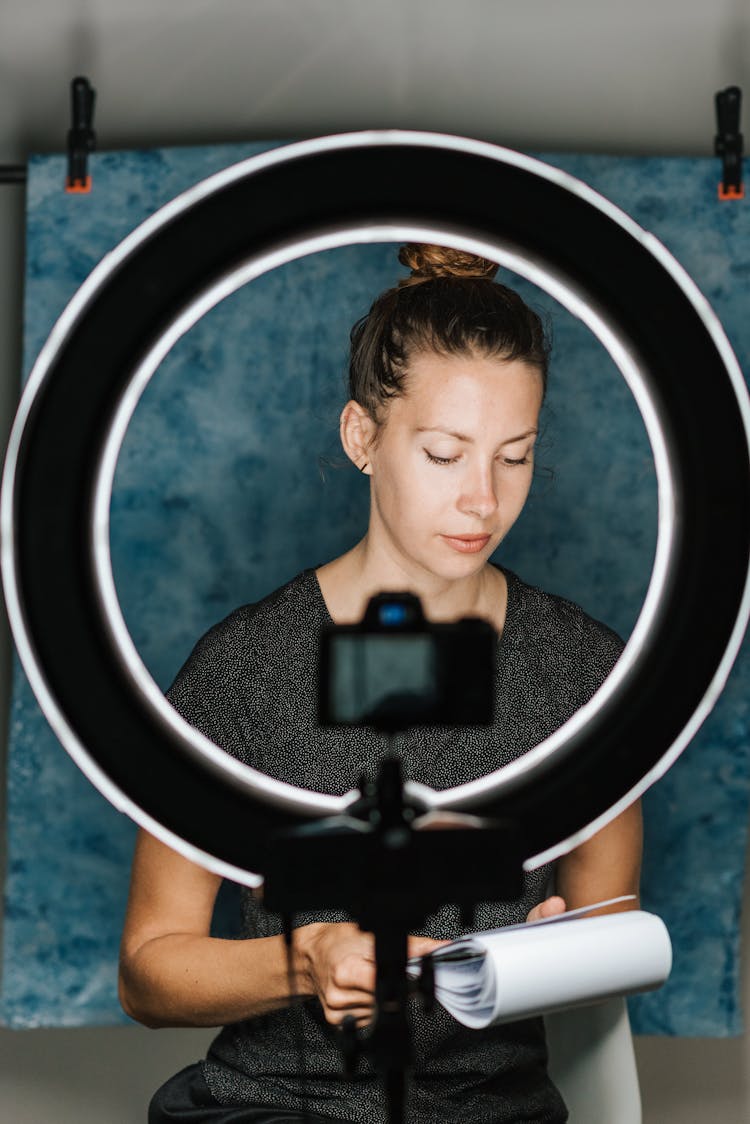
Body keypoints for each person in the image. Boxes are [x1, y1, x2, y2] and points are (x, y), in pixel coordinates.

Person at [119, 243, 642, 1123]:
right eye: (445, 454)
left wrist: (554, 956)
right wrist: (307, 958)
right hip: (272, 1107)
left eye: (515, 457)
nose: (484, 499)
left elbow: (614, 936)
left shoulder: (588, 672)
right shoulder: (244, 667)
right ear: (362, 435)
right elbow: (148, 970)